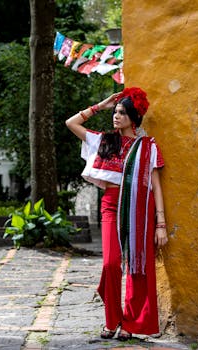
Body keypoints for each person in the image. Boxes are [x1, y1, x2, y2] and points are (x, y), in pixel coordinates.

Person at [65, 87, 168, 341]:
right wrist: (101, 105)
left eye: (122, 112)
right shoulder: (105, 141)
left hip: (138, 210)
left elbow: (155, 184)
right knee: (111, 264)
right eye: (116, 112)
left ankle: (130, 324)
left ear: (134, 118)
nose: (116, 116)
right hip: (111, 205)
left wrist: (161, 223)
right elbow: (71, 123)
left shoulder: (147, 147)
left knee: (136, 266)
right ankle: (112, 319)